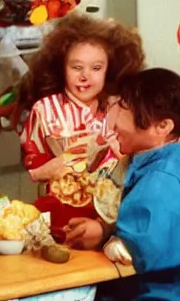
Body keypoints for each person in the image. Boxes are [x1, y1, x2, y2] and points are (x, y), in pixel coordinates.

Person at [68, 68, 180, 301]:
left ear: (163, 127)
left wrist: (106, 236)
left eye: (124, 109)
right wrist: (104, 228)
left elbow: (140, 251)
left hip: (172, 292)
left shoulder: (162, 186)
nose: (114, 123)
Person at [17, 13, 144, 241]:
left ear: (109, 70)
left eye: (96, 68)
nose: (85, 77)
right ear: (61, 67)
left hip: (112, 217)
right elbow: (32, 161)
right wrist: (45, 170)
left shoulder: (120, 108)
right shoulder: (44, 109)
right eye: (77, 67)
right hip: (61, 216)